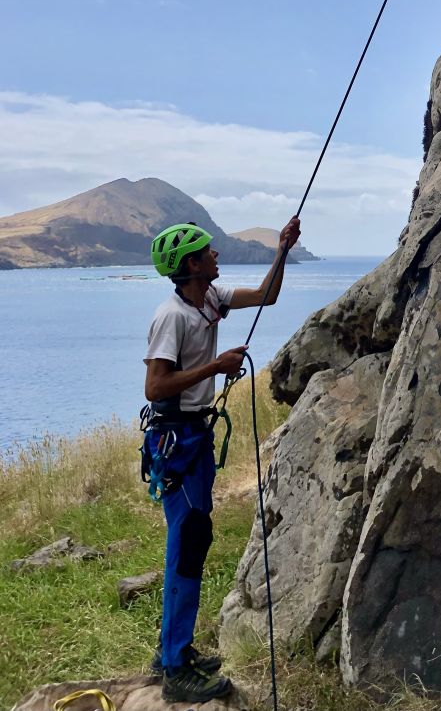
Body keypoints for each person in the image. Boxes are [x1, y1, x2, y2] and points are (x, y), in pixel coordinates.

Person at [143, 217, 300, 703]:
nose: (215, 256)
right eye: (207, 253)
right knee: (188, 541)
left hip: (191, 436)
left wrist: (282, 251)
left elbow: (266, 296)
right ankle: (173, 666)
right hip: (176, 437)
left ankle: (176, 650)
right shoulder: (172, 316)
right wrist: (215, 366)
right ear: (191, 265)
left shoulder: (207, 299)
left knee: (194, 535)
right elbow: (155, 386)